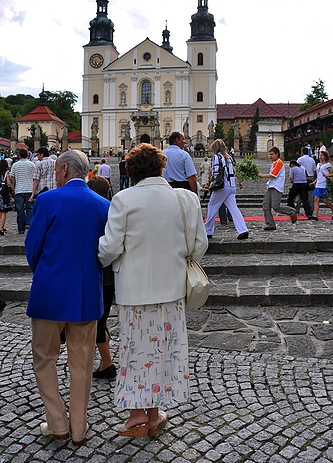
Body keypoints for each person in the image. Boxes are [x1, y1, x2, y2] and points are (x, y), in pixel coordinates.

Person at [98, 143, 207, 438]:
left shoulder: (123, 199)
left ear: (131, 170)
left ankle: (138, 416)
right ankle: (154, 414)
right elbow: (200, 245)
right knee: (164, 352)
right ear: (162, 168)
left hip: (134, 289)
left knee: (135, 350)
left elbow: (108, 250)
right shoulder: (185, 199)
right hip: (172, 289)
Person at [25, 150, 110, 446]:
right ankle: (78, 428)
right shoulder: (103, 205)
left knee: (44, 359)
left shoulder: (48, 201)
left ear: (62, 170)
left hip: (50, 291)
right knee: (83, 363)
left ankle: (57, 422)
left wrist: (47, 273)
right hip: (86, 295)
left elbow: (32, 249)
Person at [87, 175, 116, 380]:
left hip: (100, 273)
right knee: (99, 319)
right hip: (109, 275)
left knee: (97, 320)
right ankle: (106, 363)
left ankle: (108, 363)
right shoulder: (112, 211)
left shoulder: (93, 211)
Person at [204, 139, 248, 240]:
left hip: (222, 186)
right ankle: (243, 229)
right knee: (234, 209)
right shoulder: (230, 158)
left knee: (212, 206)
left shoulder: (217, 157)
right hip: (232, 186)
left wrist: (211, 179)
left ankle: (208, 230)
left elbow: (215, 172)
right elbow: (235, 170)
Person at [258, 147, 297, 231]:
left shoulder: (279, 163)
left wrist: (262, 175)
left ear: (277, 154)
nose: (270, 156)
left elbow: (273, 175)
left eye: (272, 154)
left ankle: (291, 211)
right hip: (271, 186)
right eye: (269, 154)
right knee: (265, 205)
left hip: (277, 187)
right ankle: (270, 224)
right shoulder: (274, 163)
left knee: (275, 206)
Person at [9, 149, 35, 234]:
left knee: (20, 210)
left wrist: (13, 188)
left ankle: (21, 229)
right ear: (27, 154)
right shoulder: (32, 164)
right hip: (29, 188)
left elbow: (12, 177)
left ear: (19, 155)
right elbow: (35, 177)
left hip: (19, 190)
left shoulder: (15, 165)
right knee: (30, 207)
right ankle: (28, 222)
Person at [311, 150, 333, 220]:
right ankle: (315, 215)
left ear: (325, 157)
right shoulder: (318, 165)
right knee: (316, 199)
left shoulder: (328, 165)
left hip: (324, 184)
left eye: (322, 155)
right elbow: (319, 175)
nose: (320, 157)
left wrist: (327, 175)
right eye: (320, 155)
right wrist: (314, 181)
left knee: (325, 200)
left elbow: (332, 173)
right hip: (318, 184)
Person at [296, 147, 317, 212]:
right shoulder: (312, 160)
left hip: (301, 178)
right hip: (310, 177)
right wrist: (314, 178)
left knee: (299, 193)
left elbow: (296, 169)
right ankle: (311, 209)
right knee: (310, 194)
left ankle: (297, 208)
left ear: (302, 152)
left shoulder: (299, 159)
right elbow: (314, 170)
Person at [0, 159, 14, 235]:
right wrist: (13, 189)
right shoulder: (6, 174)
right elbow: (9, 183)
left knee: (0, 211)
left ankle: (3, 225)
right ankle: (1, 228)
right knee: (4, 211)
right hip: (4, 194)